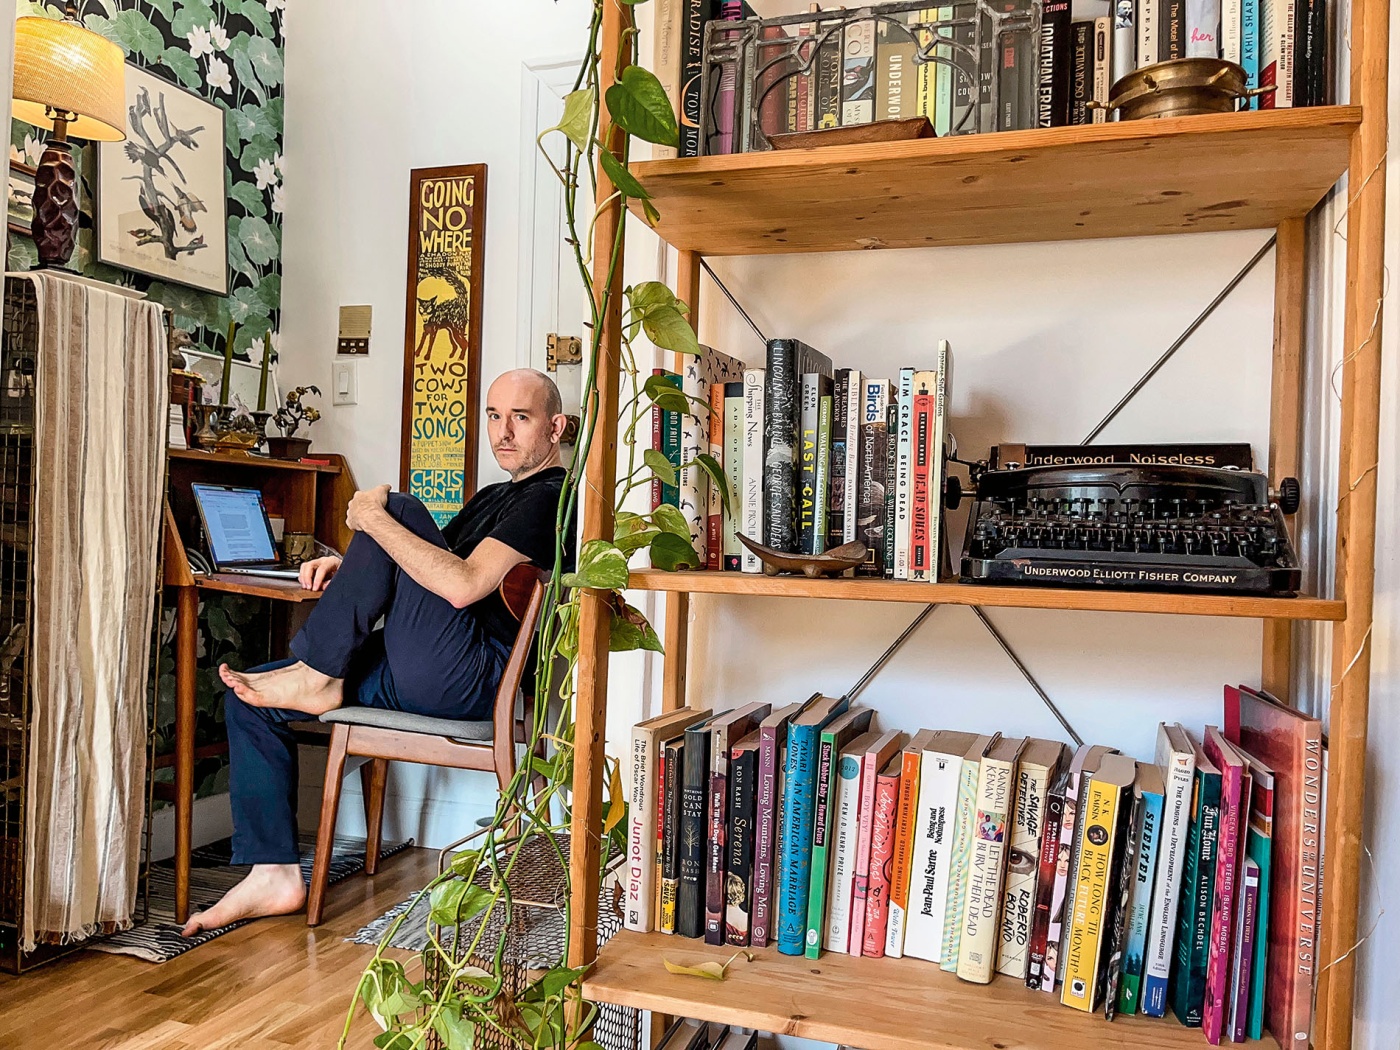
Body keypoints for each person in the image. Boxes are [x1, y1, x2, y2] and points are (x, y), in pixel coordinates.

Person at [180, 368, 573, 936]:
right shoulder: (494, 496)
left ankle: (317, 674)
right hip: (425, 663)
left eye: (521, 417)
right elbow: (419, 565)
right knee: (252, 695)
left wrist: (370, 520)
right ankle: (274, 875)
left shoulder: (549, 498)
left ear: (555, 426)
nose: (503, 431)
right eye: (493, 415)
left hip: (470, 675)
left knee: (400, 511)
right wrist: (353, 568)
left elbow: (460, 587)